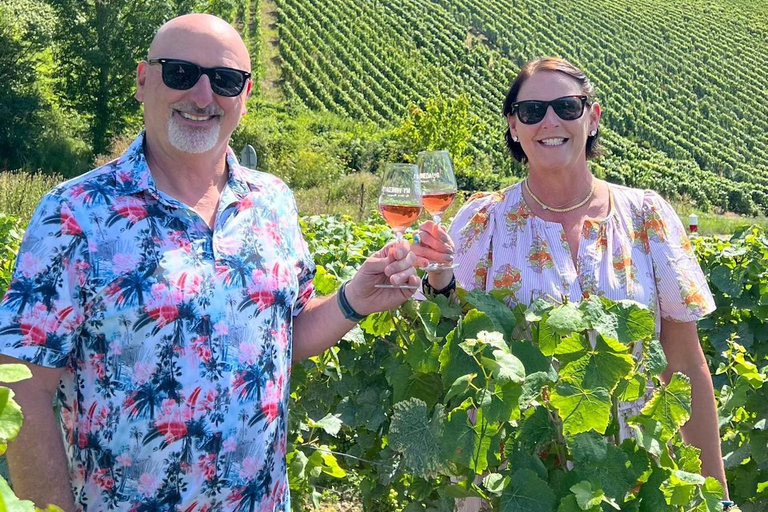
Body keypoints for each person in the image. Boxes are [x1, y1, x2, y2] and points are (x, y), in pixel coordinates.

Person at [0, 13, 418, 512]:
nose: (202, 96)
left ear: (243, 94)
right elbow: (18, 386)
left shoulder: (272, 201)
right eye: (180, 72)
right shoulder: (76, 213)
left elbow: (285, 337)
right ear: (142, 80)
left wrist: (352, 300)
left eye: (224, 80)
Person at [413, 57, 730, 505]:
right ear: (513, 127)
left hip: (633, 475)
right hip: (521, 480)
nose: (549, 121)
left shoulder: (646, 218)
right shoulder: (484, 222)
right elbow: (455, 343)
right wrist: (438, 281)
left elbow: (686, 365)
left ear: (592, 117)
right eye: (531, 111)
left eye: (566, 106)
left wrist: (717, 495)